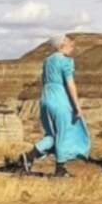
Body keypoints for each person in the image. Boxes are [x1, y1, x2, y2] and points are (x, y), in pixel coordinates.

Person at [15, 33, 90, 177]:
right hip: (59, 99)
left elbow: (45, 80)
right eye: (70, 45)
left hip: (45, 98)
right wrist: (77, 106)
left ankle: (29, 156)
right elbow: (70, 83)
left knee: (52, 135)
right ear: (62, 45)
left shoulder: (47, 61)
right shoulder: (66, 61)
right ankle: (60, 169)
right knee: (63, 134)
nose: (72, 48)